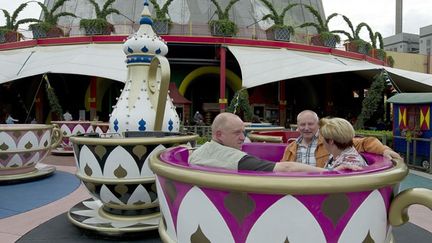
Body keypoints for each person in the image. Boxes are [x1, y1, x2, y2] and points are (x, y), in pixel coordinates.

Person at [188, 112, 359, 172]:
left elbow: (349, 140)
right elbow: (285, 167)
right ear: (219, 134)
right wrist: (330, 172)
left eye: (310, 124)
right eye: (237, 133)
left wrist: (382, 149)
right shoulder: (238, 159)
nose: (243, 137)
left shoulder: (196, 154)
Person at [281, 110, 401, 167]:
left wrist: (384, 150)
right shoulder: (291, 148)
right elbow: (282, 169)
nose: (306, 128)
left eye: (310, 124)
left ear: (317, 125)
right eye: (302, 124)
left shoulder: (331, 139)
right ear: (298, 126)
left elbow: (366, 142)